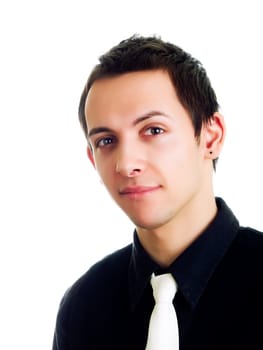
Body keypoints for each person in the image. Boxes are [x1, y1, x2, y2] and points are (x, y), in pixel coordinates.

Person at [52, 35, 263, 350]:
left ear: (211, 136)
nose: (126, 164)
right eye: (106, 141)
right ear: (92, 158)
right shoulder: (84, 307)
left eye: (153, 130)